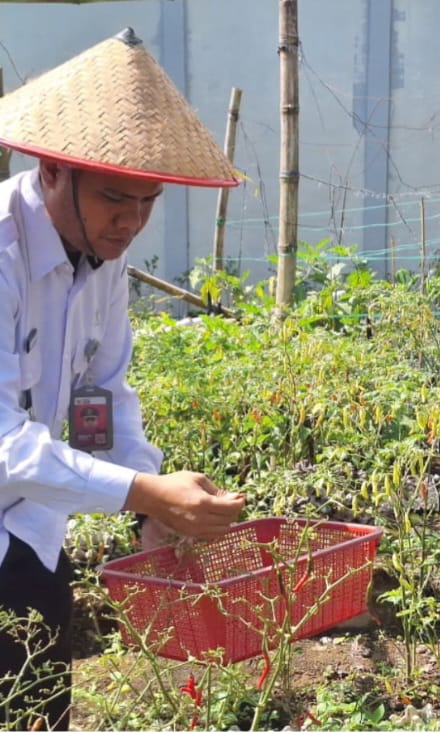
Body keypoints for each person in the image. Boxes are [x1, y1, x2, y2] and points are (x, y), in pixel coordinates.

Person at [0, 29, 246, 729]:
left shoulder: (99, 260)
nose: (132, 222)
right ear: (52, 171)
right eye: (115, 198)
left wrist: (149, 508)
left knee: (39, 710)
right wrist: (140, 490)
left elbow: (99, 394)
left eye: (148, 202)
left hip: (28, 529)